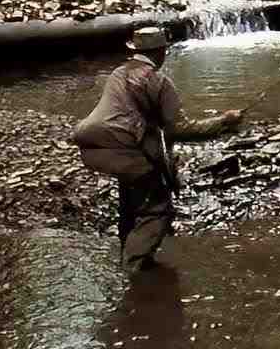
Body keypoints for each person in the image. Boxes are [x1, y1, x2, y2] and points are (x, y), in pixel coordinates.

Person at [73, 27, 243, 271]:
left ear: (136, 50)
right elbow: (180, 129)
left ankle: (130, 253)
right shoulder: (158, 81)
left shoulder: (118, 73)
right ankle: (134, 272)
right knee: (157, 209)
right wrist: (224, 121)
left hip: (90, 143)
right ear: (161, 52)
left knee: (132, 200)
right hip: (122, 146)